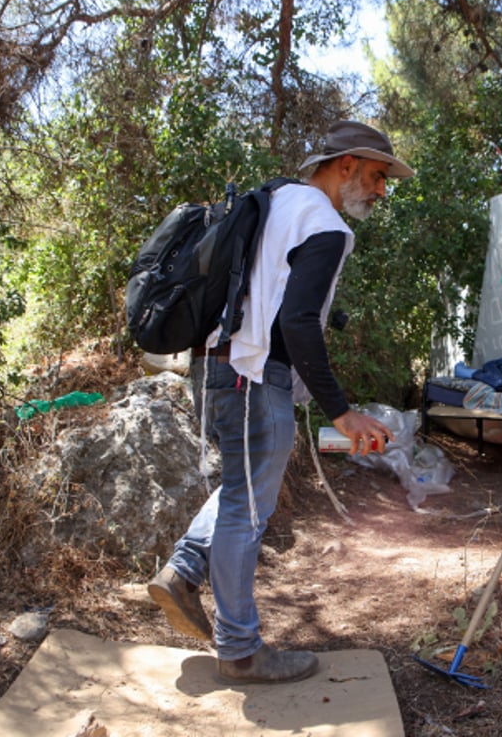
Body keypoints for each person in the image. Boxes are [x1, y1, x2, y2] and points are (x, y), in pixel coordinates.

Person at [147, 120, 413, 685]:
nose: (382, 191)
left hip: (218, 368)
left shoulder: (272, 198)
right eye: (377, 176)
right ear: (345, 165)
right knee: (248, 511)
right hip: (252, 378)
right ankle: (240, 650)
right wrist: (341, 411)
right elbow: (294, 320)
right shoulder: (325, 224)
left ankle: (185, 570)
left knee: (241, 492)